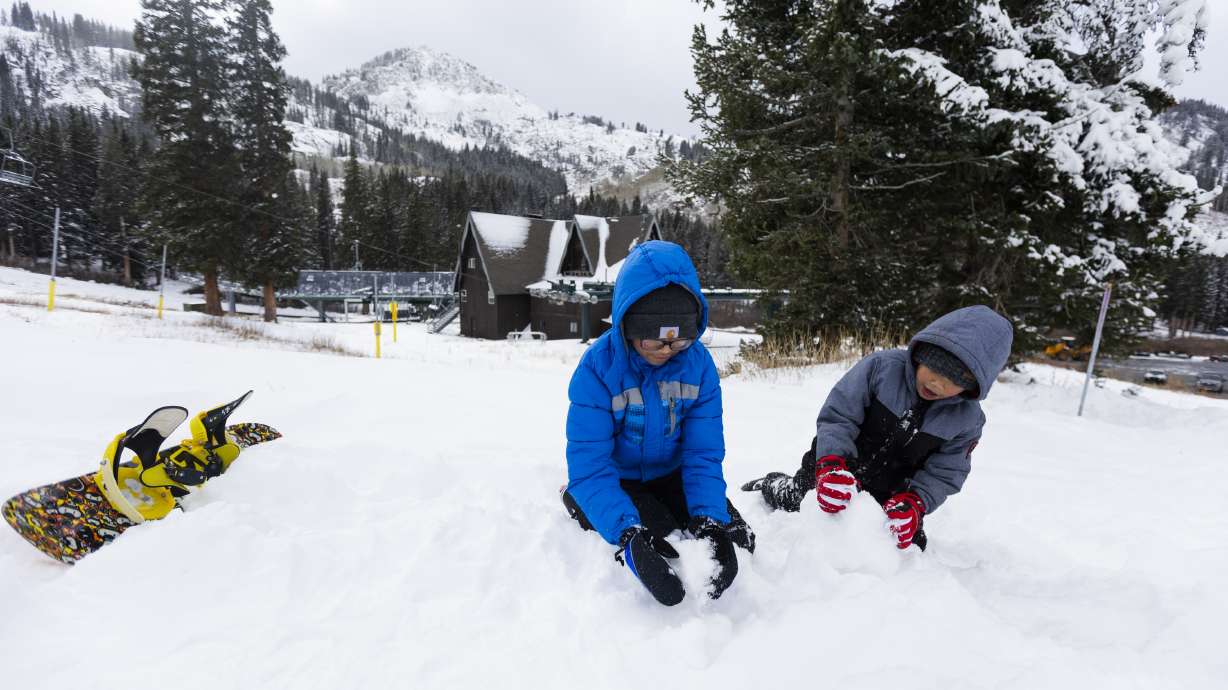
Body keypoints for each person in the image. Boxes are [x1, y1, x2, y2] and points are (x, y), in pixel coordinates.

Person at [561, 240, 754, 606]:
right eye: (655, 341)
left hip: (672, 473)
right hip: (619, 479)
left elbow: (703, 454)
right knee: (659, 532)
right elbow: (590, 465)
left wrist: (710, 519)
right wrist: (628, 535)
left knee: (733, 535)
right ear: (629, 326)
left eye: (679, 341)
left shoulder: (698, 367)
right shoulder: (597, 370)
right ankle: (579, 502)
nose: (667, 352)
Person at [742, 305, 1013, 550]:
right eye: (935, 370)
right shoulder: (882, 368)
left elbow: (946, 472)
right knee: (798, 501)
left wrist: (915, 504)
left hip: (890, 497)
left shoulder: (967, 420)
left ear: (972, 387)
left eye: (953, 382)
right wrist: (830, 464)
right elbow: (839, 416)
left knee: (911, 546)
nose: (938, 385)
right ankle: (774, 484)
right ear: (921, 355)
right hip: (832, 469)